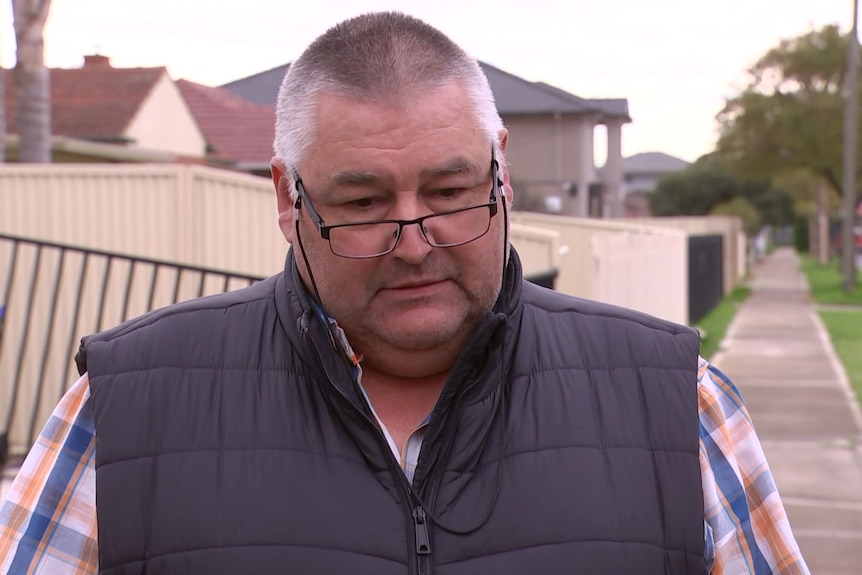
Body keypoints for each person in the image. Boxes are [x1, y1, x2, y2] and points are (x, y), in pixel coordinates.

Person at [0, 11, 808, 575]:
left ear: (502, 170)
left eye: (452, 192)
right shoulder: (123, 410)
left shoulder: (677, 403)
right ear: (287, 198)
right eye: (361, 204)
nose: (415, 241)